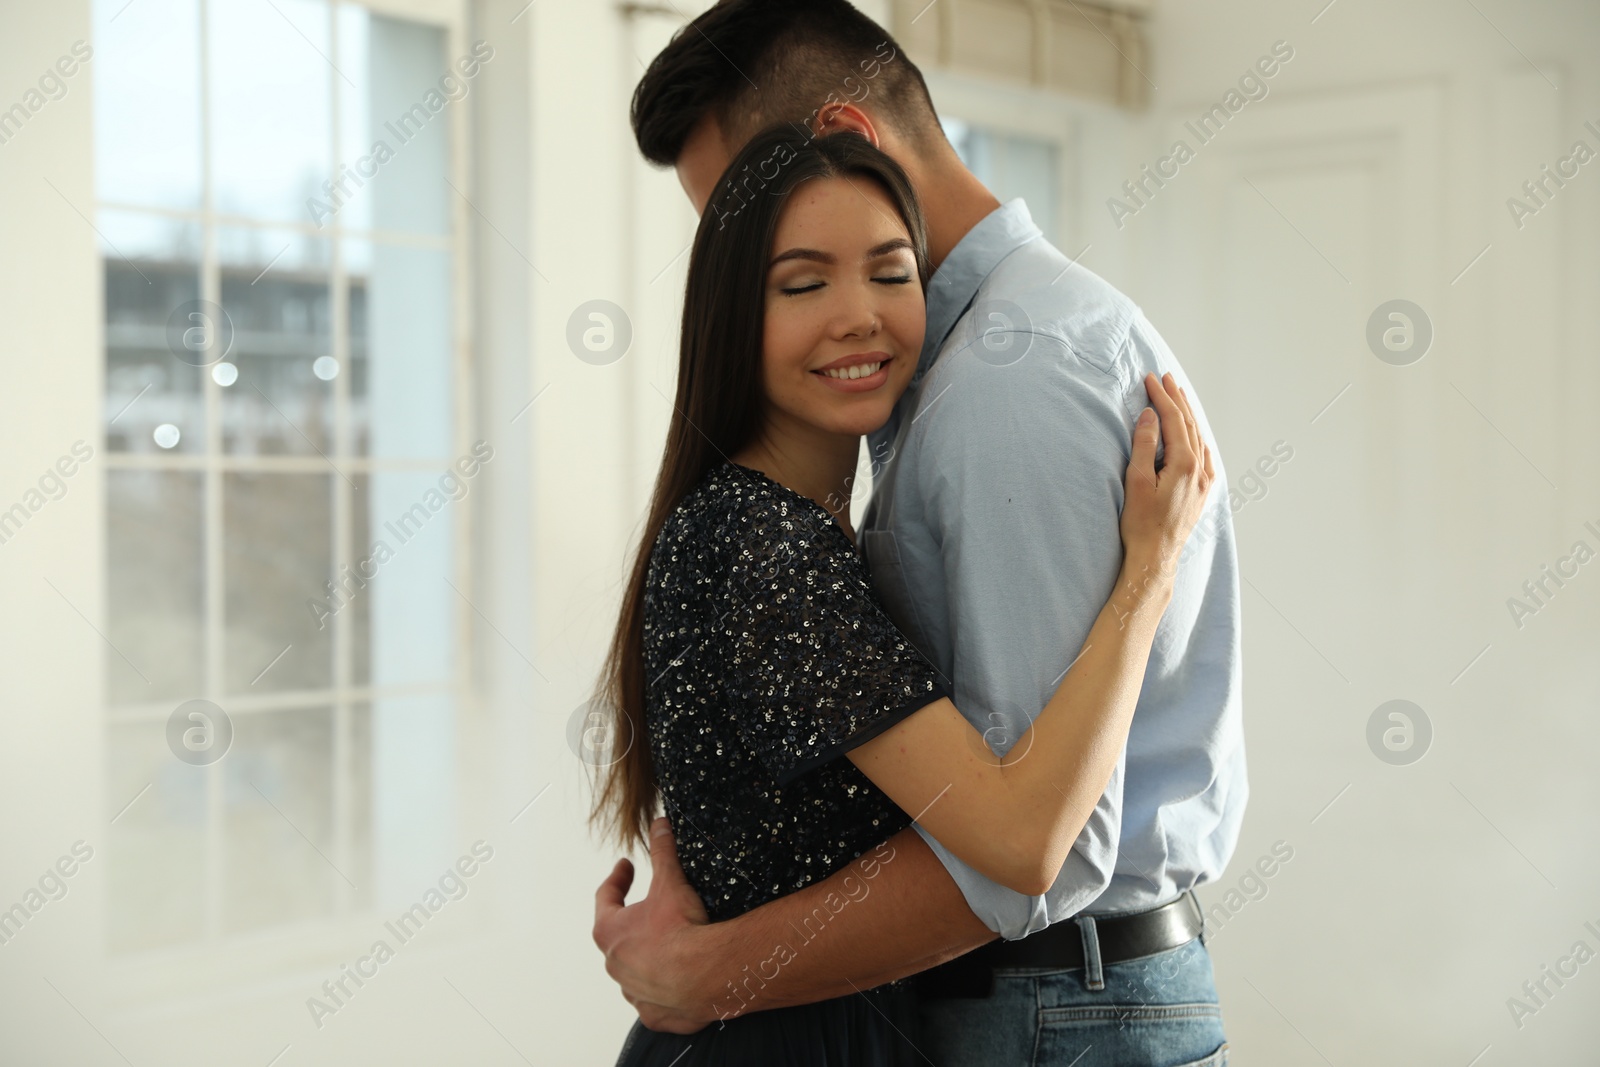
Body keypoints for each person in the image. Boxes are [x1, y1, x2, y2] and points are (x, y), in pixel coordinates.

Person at [594, 3, 1247, 1065]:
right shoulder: (801, 495)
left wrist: (707, 970)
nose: (846, 312)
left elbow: (1040, 850)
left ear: (848, 139)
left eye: (754, 219)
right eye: (766, 264)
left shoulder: (1007, 379)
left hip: (1044, 1005)